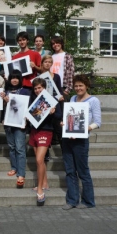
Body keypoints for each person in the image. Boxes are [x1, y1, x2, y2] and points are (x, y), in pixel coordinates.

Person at [61, 75, 101, 210]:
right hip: (68, 139)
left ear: (87, 86)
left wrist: (83, 129)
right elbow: (70, 118)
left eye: (80, 85)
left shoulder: (93, 100)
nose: (78, 88)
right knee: (70, 170)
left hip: (81, 141)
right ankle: (72, 200)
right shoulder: (72, 99)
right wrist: (64, 124)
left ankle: (88, 201)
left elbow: (97, 122)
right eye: (76, 86)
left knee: (83, 171)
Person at [28, 78, 62, 206]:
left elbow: (59, 116)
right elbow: (31, 114)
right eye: (35, 88)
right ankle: (45, 183)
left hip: (46, 131)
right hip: (34, 131)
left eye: (39, 88)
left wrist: (53, 112)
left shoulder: (52, 99)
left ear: (44, 87)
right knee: (39, 161)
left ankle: (40, 189)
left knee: (38, 160)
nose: (37, 90)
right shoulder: (33, 99)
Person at [0, 70, 30, 188]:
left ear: (20, 79)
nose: (14, 80)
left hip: (20, 122)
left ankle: (21, 173)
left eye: (17, 78)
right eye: (12, 78)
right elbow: (3, 108)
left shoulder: (25, 91)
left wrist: (10, 101)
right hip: (8, 122)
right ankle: (14, 168)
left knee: (20, 148)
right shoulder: (5, 92)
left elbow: (25, 106)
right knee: (12, 147)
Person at [41, 55, 64, 153]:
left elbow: (59, 90)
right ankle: (46, 154)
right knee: (45, 130)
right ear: (42, 63)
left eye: (50, 62)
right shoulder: (38, 77)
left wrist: (61, 96)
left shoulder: (56, 76)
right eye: (46, 61)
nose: (47, 63)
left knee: (59, 129)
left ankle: (65, 152)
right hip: (44, 105)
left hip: (56, 105)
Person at [50, 35, 74, 100]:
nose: (55, 45)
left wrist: (67, 90)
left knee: (63, 109)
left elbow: (70, 73)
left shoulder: (67, 56)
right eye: (53, 44)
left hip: (63, 87)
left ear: (61, 43)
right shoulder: (51, 57)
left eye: (57, 42)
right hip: (51, 87)